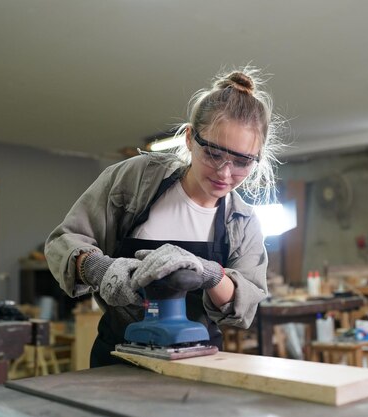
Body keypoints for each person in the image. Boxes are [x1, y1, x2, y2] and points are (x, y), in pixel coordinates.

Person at [45, 67, 282, 367]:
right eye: (212, 154)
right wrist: (98, 268)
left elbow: (244, 305)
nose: (225, 173)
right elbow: (62, 243)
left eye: (241, 161)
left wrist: (209, 273)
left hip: (199, 361)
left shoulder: (243, 222)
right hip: (119, 356)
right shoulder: (134, 182)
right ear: (189, 139)